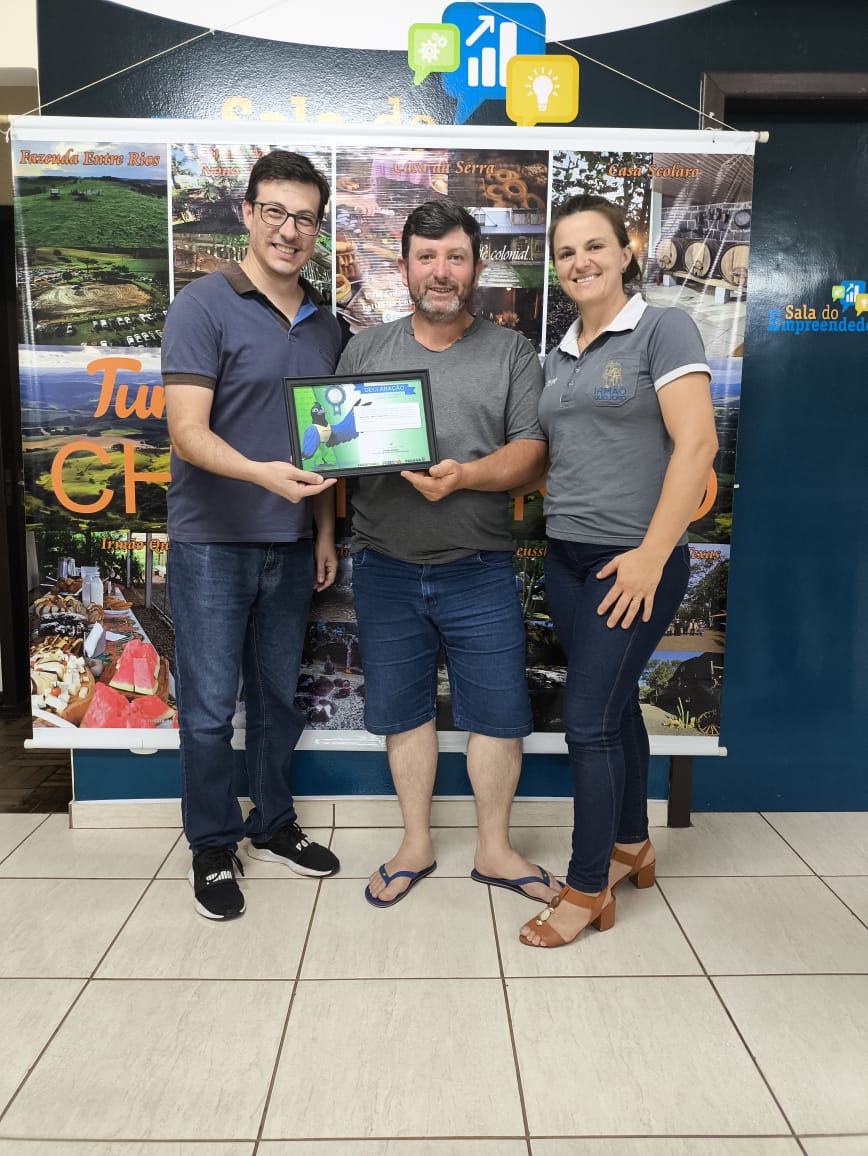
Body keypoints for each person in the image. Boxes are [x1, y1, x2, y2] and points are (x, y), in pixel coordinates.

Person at [337, 200, 561, 909]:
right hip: (384, 565)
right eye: (427, 257)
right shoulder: (365, 351)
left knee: (498, 714)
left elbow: (532, 453)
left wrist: (463, 477)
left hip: (480, 567)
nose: (441, 271)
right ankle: (416, 844)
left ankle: (495, 849)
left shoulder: (511, 353)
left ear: (476, 267)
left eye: (455, 257)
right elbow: (333, 441)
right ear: (404, 267)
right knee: (404, 713)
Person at [519, 194, 718, 948]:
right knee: (614, 707)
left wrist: (650, 557)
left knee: (587, 724)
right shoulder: (559, 354)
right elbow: (551, 456)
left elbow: (697, 446)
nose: (581, 262)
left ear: (626, 251)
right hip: (568, 561)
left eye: (595, 246)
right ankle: (632, 843)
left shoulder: (663, 328)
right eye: (566, 252)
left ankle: (585, 889)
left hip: (633, 562)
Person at [162, 150, 343, 921]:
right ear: (247, 213)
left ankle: (272, 824)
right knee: (208, 709)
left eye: (305, 218)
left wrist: (324, 531)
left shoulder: (328, 325)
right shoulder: (201, 305)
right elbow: (187, 433)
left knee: (275, 701)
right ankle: (212, 844)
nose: (289, 230)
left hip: (293, 545)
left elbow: (325, 446)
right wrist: (263, 476)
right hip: (212, 543)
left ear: (317, 229)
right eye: (275, 212)